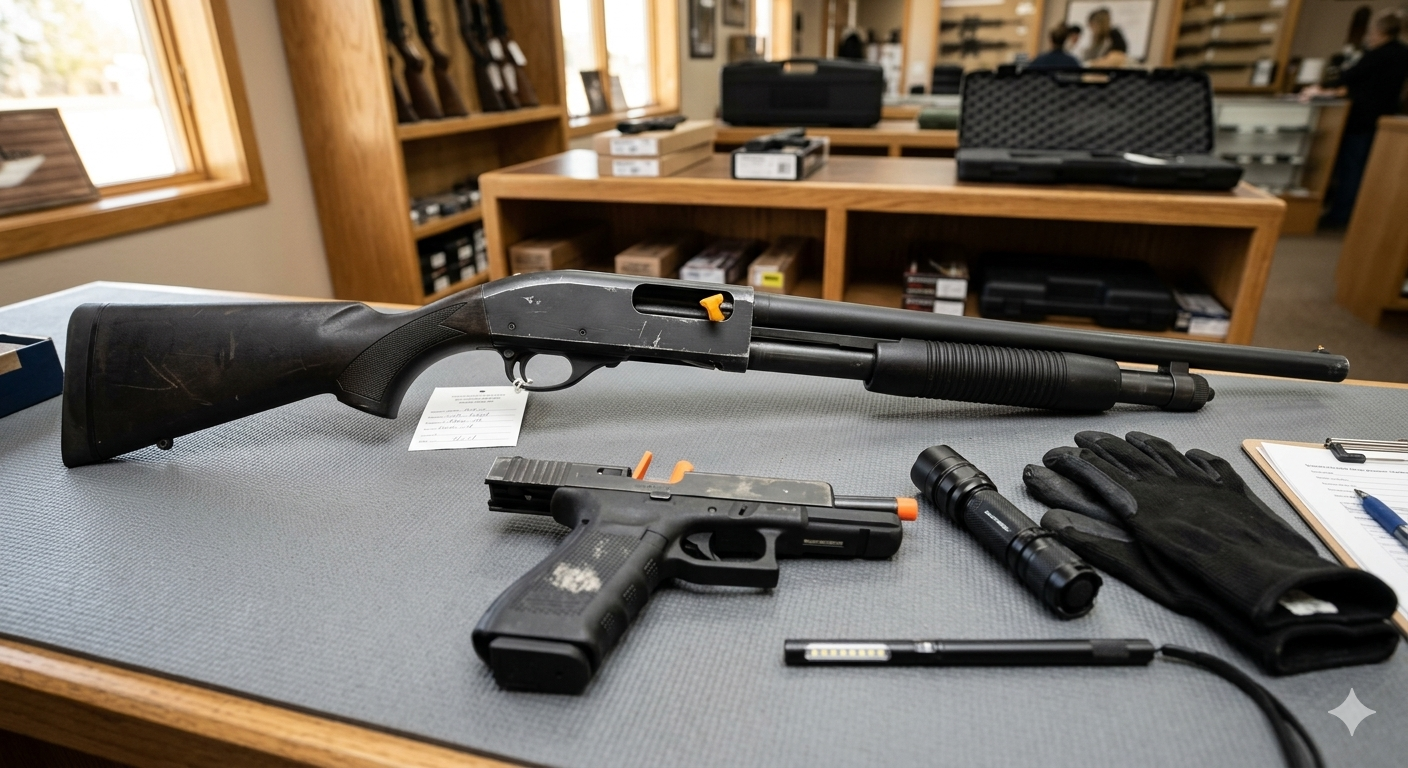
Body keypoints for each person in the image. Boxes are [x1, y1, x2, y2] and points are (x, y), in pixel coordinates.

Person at [1303, 11, 1408, 227]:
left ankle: (1341, 215)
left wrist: (1323, 88)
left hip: (1360, 118)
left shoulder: (1377, 54)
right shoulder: (1402, 53)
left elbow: (1349, 77)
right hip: (1382, 119)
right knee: (1360, 169)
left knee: (1351, 169)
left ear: (1380, 31)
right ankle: (1348, 214)